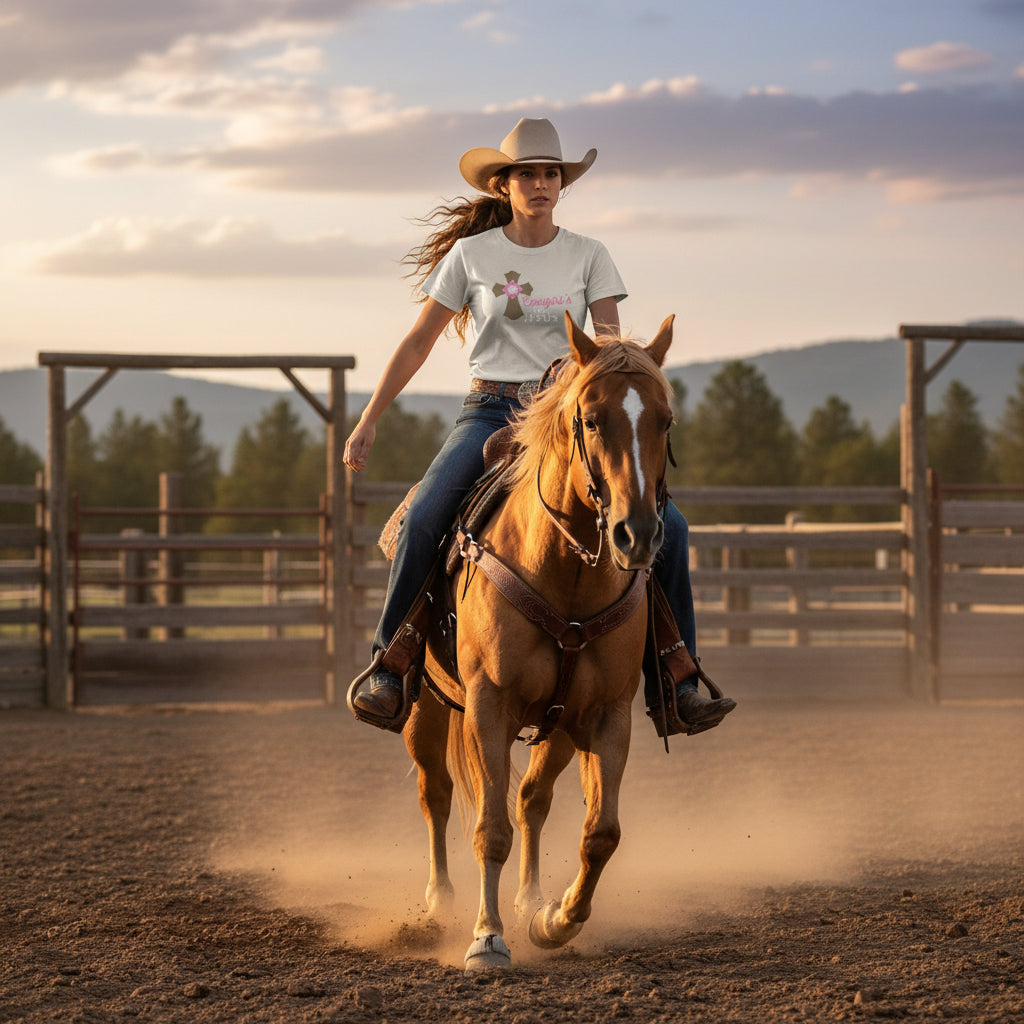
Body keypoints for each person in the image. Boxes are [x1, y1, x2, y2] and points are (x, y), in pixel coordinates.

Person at [344, 117, 735, 734]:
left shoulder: (590, 254)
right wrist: (369, 418)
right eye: (529, 173)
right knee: (424, 517)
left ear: (562, 184)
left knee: (671, 529)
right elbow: (419, 341)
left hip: (571, 417)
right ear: (503, 186)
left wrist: (596, 373)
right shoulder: (471, 256)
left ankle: (677, 674)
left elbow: (608, 345)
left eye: (552, 173)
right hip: (491, 410)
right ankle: (391, 663)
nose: (542, 183)